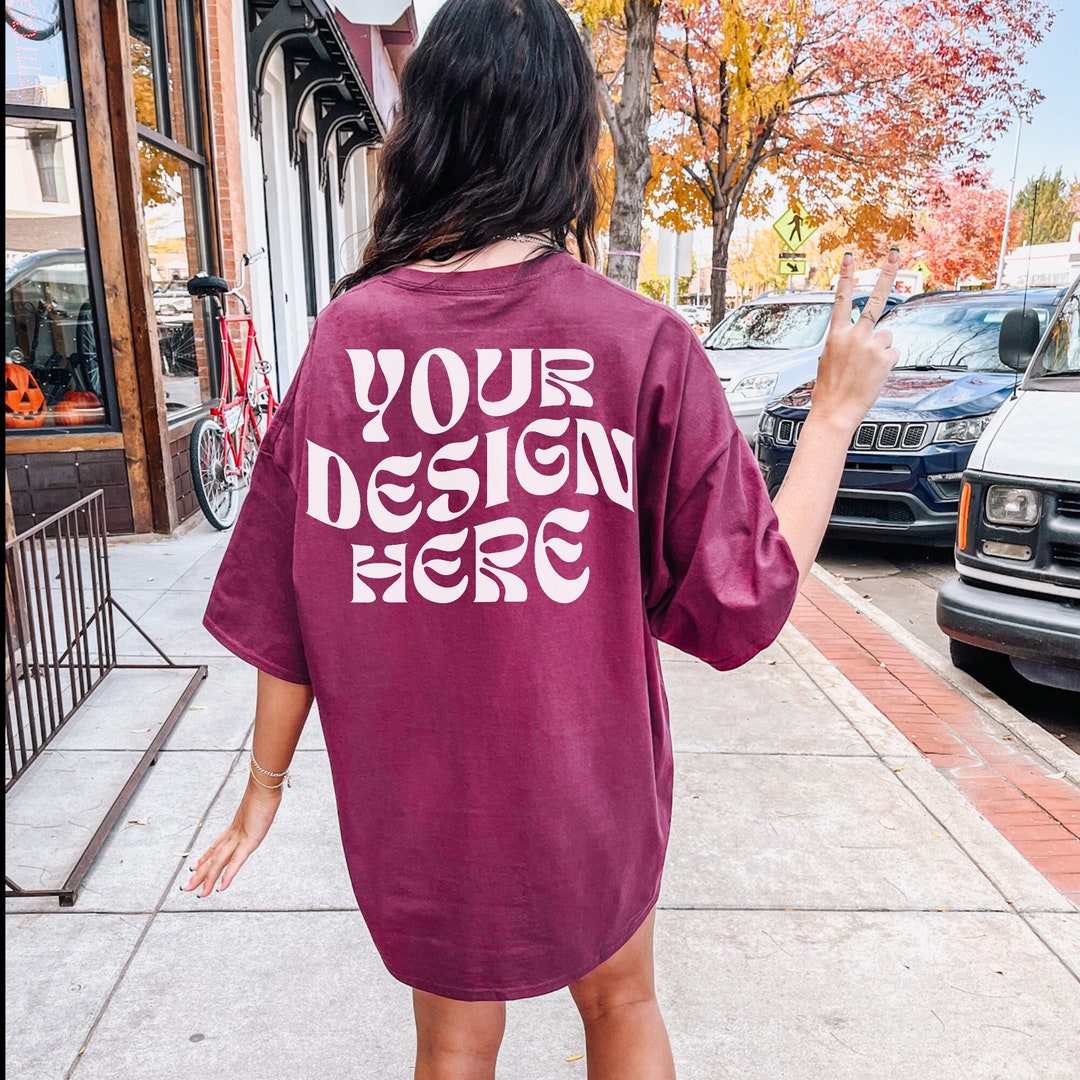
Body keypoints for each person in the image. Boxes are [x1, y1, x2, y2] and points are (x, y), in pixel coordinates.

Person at [183, 1, 899, 1076]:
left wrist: (264, 784)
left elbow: (285, 607)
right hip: (586, 785)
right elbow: (747, 595)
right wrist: (835, 414)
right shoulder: (637, 342)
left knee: (454, 1040)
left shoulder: (346, 342)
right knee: (622, 1005)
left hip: (417, 799)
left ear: (425, 134)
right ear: (570, 137)